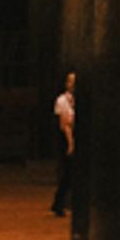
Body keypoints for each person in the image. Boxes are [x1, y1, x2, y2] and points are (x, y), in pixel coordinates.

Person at [51, 70, 76, 219]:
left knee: (72, 173)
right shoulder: (62, 100)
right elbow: (64, 124)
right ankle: (59, 203)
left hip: (75, 135)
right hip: (66, 138)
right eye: (71, 81)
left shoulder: (78, 100)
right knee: (67, 173)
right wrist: (70, 143)